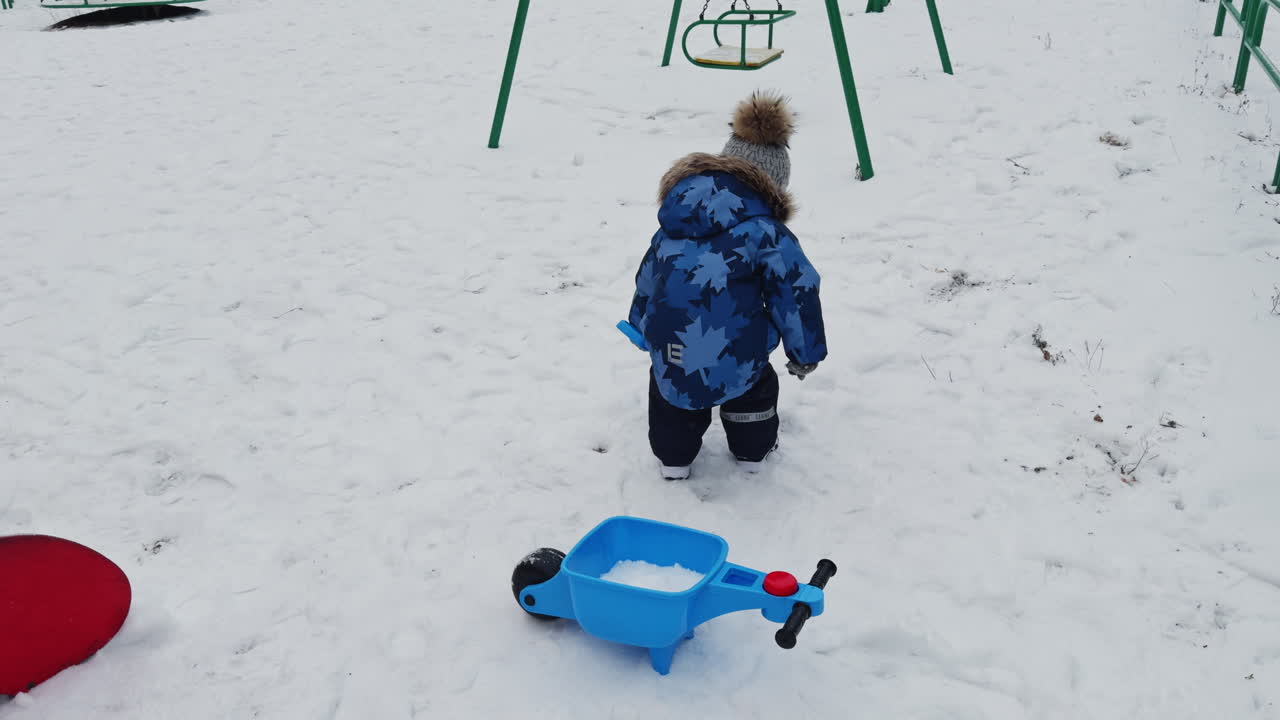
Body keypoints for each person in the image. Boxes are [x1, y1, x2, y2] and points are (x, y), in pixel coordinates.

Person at [626, 91, 827, 480]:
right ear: (772, 188)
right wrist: (805, 351)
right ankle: (752, 452)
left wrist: (639, 324)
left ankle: (674, 460)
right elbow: (796, 292)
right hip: (740, 350)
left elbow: (649, 276)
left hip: (674, 348)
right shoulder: (766, 233)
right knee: (753, 387)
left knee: (672, 394)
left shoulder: (674, 220)